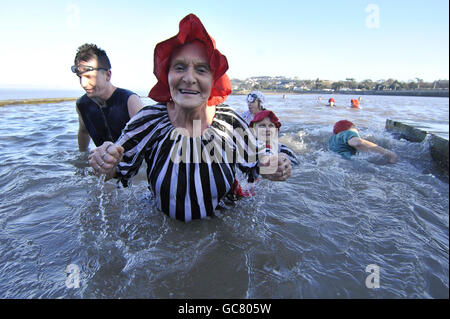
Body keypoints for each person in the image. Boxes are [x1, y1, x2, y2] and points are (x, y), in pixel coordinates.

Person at [88, 14, 292, 222]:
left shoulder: (229, 122)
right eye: (179, 67)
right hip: (161, 228)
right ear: (167, 76)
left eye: (201, 70)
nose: (189, 78)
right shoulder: (148, 120)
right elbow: (117, 171)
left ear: (213, 80)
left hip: (220, 229)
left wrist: (275, 168)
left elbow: (257, 164)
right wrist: (104, 162)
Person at [72, 43, 144, 152]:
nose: (83, 83)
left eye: (89, 76)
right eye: (80, 77)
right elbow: (83, 131)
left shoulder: (131, 100)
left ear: (108, 75)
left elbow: (150, 139)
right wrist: (81, 160)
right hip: (104, 164)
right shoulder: (82, 105)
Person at [328, 120, 397, 163]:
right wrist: (389, 154)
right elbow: (358, 142)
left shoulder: (332, 139)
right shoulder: (349, 132)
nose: (358, 131)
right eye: (357, 130)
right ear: (353, 128)